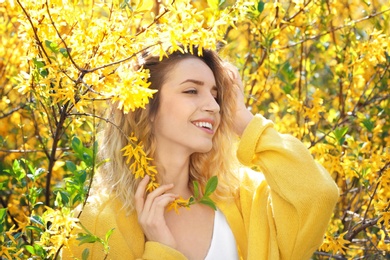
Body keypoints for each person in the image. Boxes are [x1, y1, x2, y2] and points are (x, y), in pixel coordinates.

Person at [63, 46, 339, 260]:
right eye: (192, 90)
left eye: (216, 95)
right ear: (145, 107)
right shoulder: (97, 221)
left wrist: (243, 120)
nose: (214, 106)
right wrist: (162, 249)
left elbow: (317, 195)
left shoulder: (243, 198)